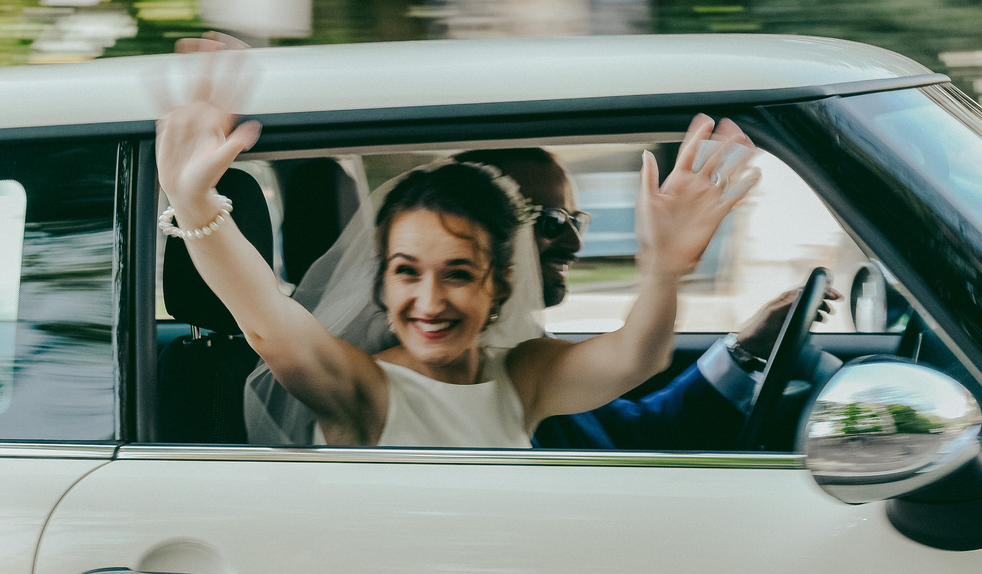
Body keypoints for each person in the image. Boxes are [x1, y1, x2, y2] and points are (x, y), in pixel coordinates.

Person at [154, 42, 759, 449]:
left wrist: (667, 268)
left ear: (499, 283)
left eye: (459, 273)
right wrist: (195, 202)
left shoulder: (522, 376)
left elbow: (636, 359)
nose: (429, 300)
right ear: (384, 284)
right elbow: (266, 317)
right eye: (406, 272)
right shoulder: (363, 390)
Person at [449, 142, 805, 451]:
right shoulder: (472, 371)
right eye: (552, 222)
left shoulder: (531, 348)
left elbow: (633, 431)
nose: (576, 244)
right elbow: (635, 358)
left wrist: (744, 350)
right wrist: (665, 267)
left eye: (577, 221)